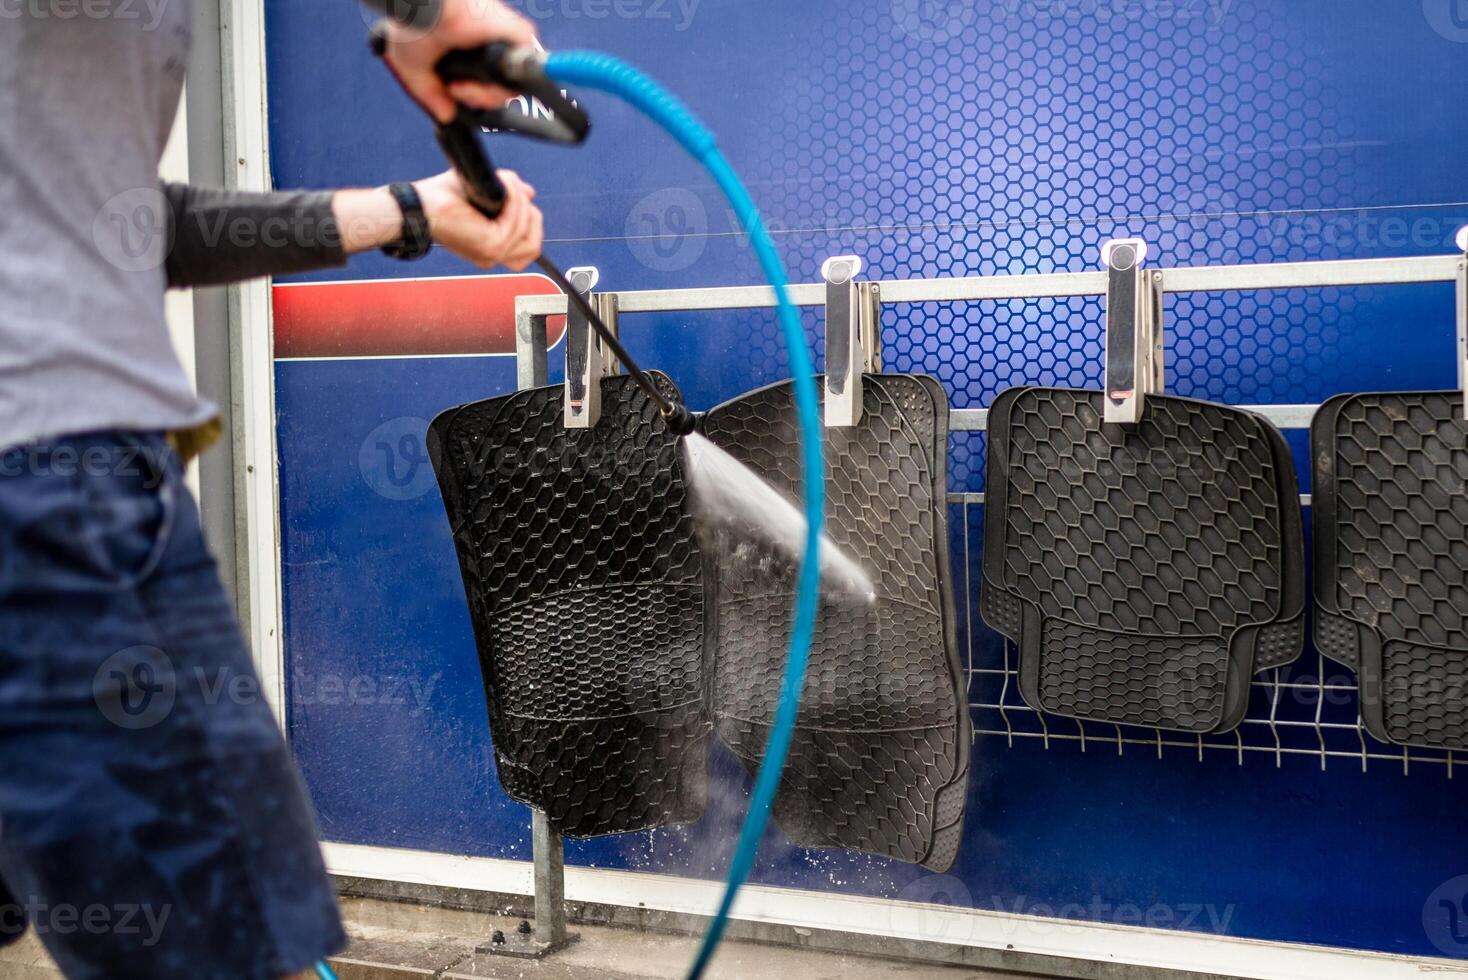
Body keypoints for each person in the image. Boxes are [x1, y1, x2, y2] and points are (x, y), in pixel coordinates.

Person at [0, 1, 545, 976]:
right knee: (213, 944)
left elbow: (120, 225)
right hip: (46, 485)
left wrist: (410, 211)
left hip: (69, 474)